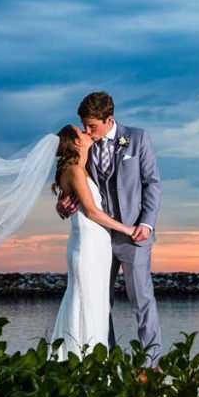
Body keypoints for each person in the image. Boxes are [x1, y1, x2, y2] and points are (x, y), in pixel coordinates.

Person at [56, 92, 162, 369]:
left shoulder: (137, 138)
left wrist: (146, 224)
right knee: (100, 302)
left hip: (134, 234)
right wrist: (63, 205)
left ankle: (150, 364)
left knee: (141, 299)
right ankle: (108, 360)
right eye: (84, 126)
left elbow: (152, 183)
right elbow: (76, 189)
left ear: (109, 119)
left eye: (92, 125)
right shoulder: (84, 150)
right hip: (98, 238)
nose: (88, 131)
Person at [49, 125, 138, 359]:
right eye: (81, 131)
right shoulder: (74, 171)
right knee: (86, 304)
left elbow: (69, 206)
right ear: (76, 143)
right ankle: (80, 362)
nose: (87, 132)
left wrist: (61, 207)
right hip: (87, 247)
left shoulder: (80, 169)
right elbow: (91, 212)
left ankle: (89, 363)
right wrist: (127, 228)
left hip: (97, 246)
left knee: (95, 305)